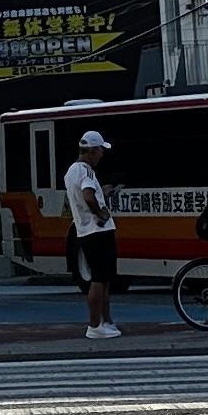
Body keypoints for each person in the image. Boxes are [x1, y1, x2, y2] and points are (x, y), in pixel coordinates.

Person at [65, 129, 121, 340]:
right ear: (92, 150)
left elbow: (85, 195)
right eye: (100, 151)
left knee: (102, 278)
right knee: (100, 279)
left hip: (85, 231)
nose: (102, 155)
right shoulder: (86, 171)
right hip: (98, 230)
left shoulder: (71, 171)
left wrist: (101, 193)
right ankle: (95, 325)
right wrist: (101, 212)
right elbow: (88, 196)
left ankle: (105, 322)